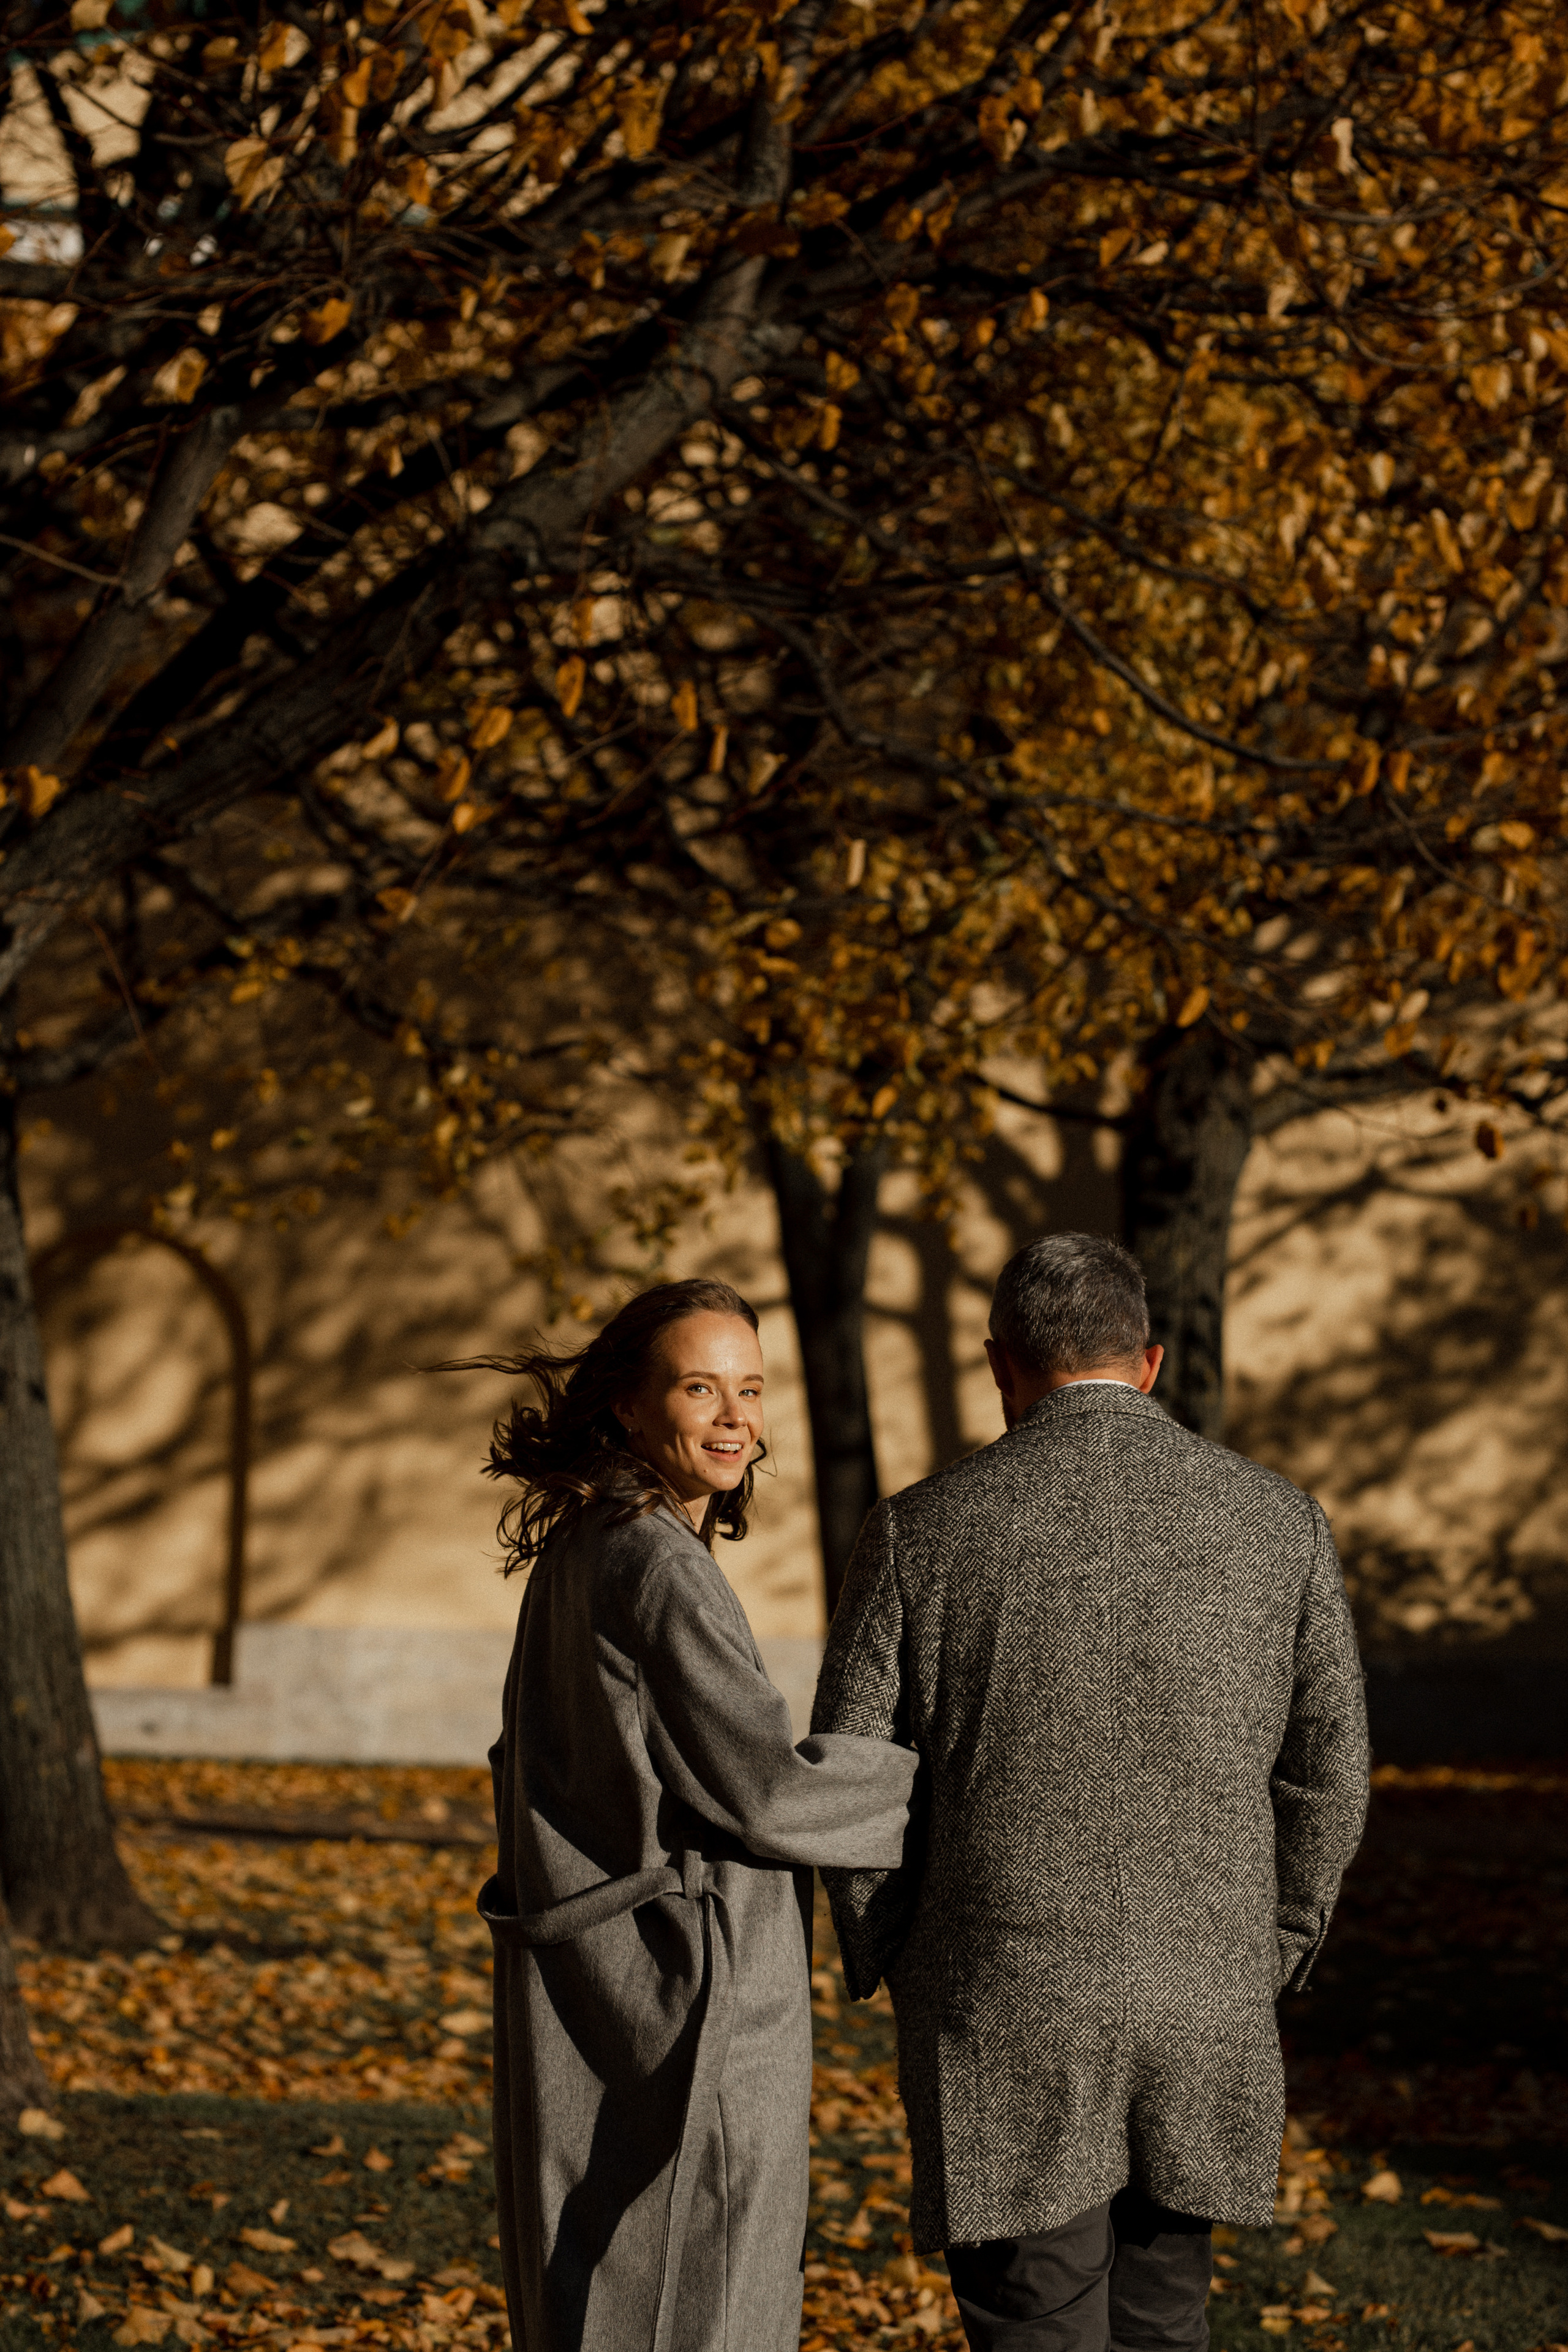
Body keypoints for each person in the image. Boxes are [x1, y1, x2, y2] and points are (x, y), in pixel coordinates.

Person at [812, 1232, 1370, 2352]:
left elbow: (851, 1771)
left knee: (1033, 2321)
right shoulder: (1281, 1525)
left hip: (1003, 1997)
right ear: (1149, 1362)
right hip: (1207, 1988)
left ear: (1000, 1364)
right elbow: (1331, 1771)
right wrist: (1272, 1944)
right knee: (1167, 2320)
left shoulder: (922, 1530)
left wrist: (888, 1947)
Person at [462, 1277, 918, 2352]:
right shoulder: (660, 1563)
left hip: (593, 1983)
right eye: (701, 1387)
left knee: (599, 2274)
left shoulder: (586, 1544)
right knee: (708, 2287)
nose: (735, 1418)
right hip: (694, 1987)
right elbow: (765, 1791)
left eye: (752, 1390)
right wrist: (933, 1786)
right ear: (629, 1404)